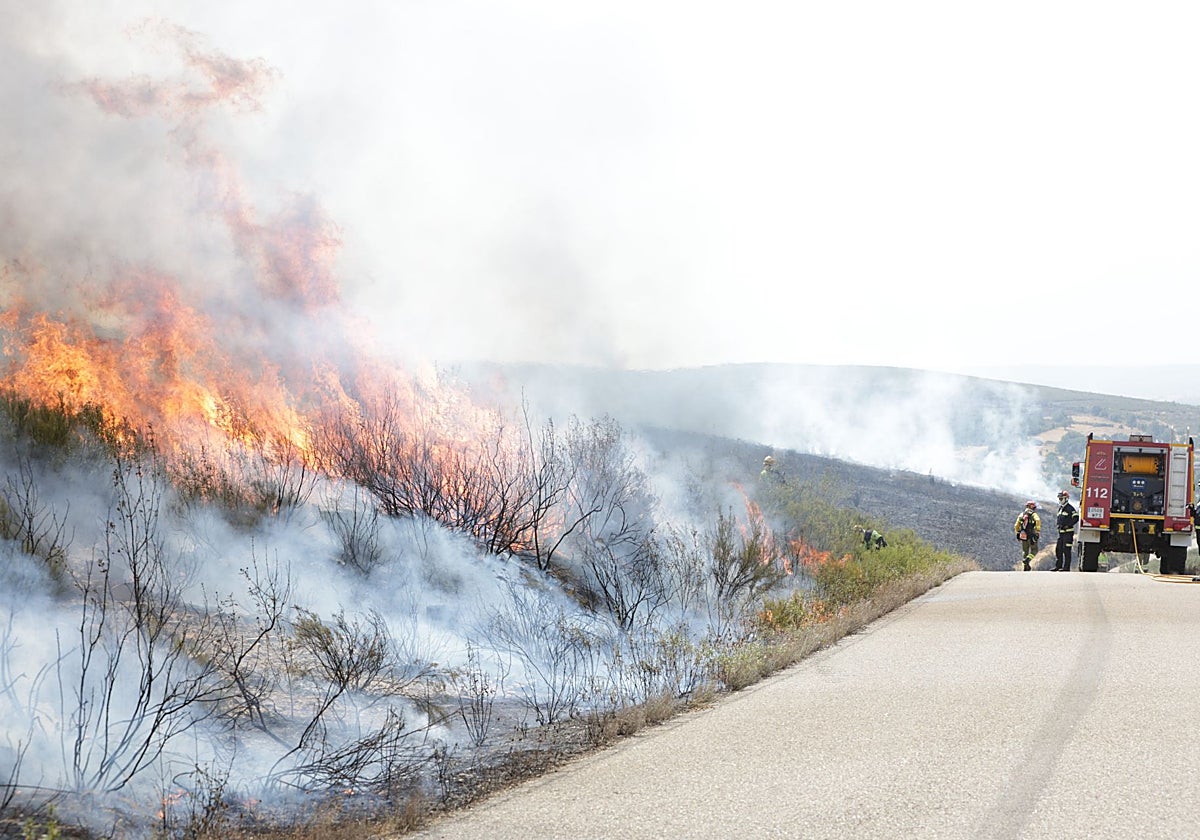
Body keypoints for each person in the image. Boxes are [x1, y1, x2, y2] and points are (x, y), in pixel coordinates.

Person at [1053, 490, 1078, 571]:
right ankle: (1058, 566)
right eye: (1059, 499)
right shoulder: (1061, 508)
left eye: (1061, 498)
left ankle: (1066, 567)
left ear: (1066, 498)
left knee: (1066, 550)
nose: (1060, 500)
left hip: (1068, 533)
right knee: (1058, 549)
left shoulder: (1070, 508)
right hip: (1061, 533)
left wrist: (1068, 525)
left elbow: (1076, 518)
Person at [1014, 501, 1040, 571]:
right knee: (1034, 550)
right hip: (1031, 535)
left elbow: (1016, 525)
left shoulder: (1021, 514)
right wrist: (1037, 531)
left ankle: (1025, 566)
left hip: (1023, 535)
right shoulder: (1034, 515)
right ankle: (1028, 560)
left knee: (1025, 551)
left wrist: (1017, 533)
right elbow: (1037, 520)